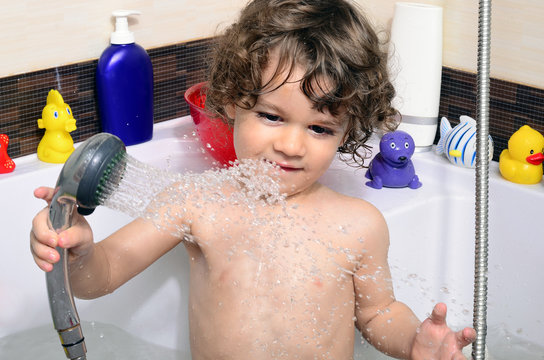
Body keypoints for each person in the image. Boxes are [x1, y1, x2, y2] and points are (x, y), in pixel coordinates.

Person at [30, 0, 476, 358]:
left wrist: (414, 341)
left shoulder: (359, 224)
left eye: (320, 128)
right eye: (271, 116)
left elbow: (379, 315)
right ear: (230, 103)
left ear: (348, 130)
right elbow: (98, 279)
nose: (292, 145)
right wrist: (79, 252)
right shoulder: (194, 202)